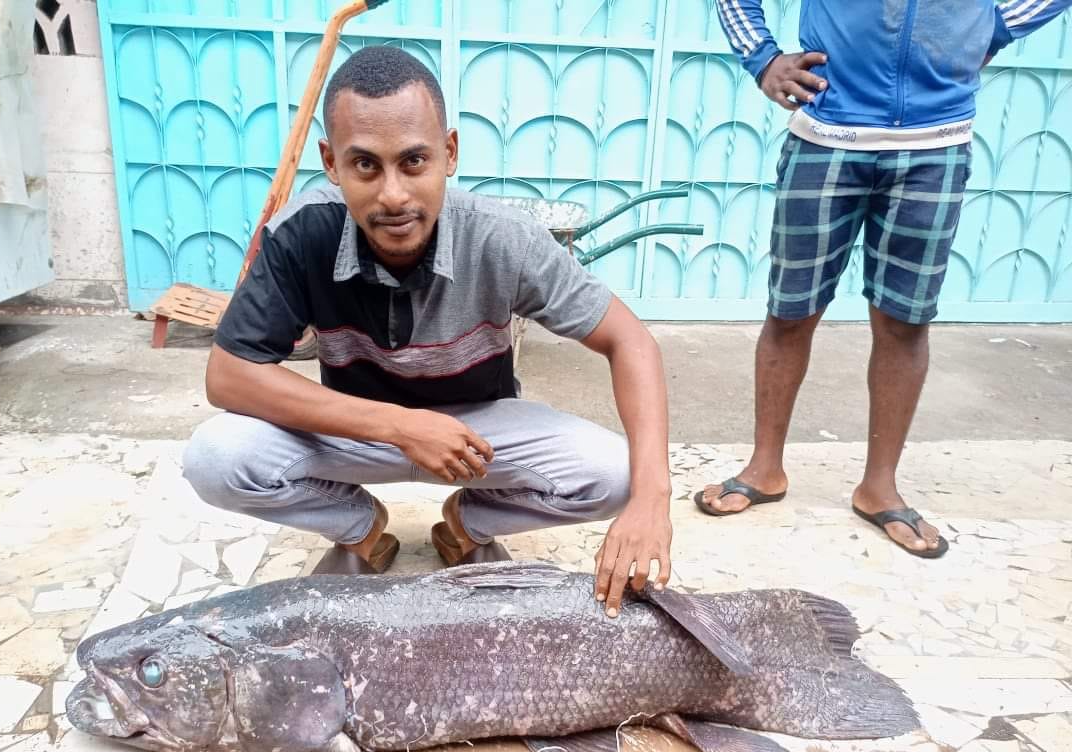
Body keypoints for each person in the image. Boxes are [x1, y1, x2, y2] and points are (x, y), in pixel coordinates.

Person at [183, 46, 673, 617]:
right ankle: (361, 529)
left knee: (616, 474)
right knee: (215, 457)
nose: (393, 195)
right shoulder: (301, 234)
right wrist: (400, 426)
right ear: (331, 162)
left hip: (478, 438)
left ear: (449, 153)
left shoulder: (502, 238)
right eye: (365, 164)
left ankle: (467, 525)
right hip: (358, 429)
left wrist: (652, 499)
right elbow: (229, 376)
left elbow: (629, 339)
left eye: (414, 161)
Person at [697, 0, 1071, 557]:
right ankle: (765, 469)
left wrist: (996, 23)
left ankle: (879, 488)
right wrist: (762, 57)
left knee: (905, 321)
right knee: (790, 312)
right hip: (826, 140)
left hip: (936, 146)